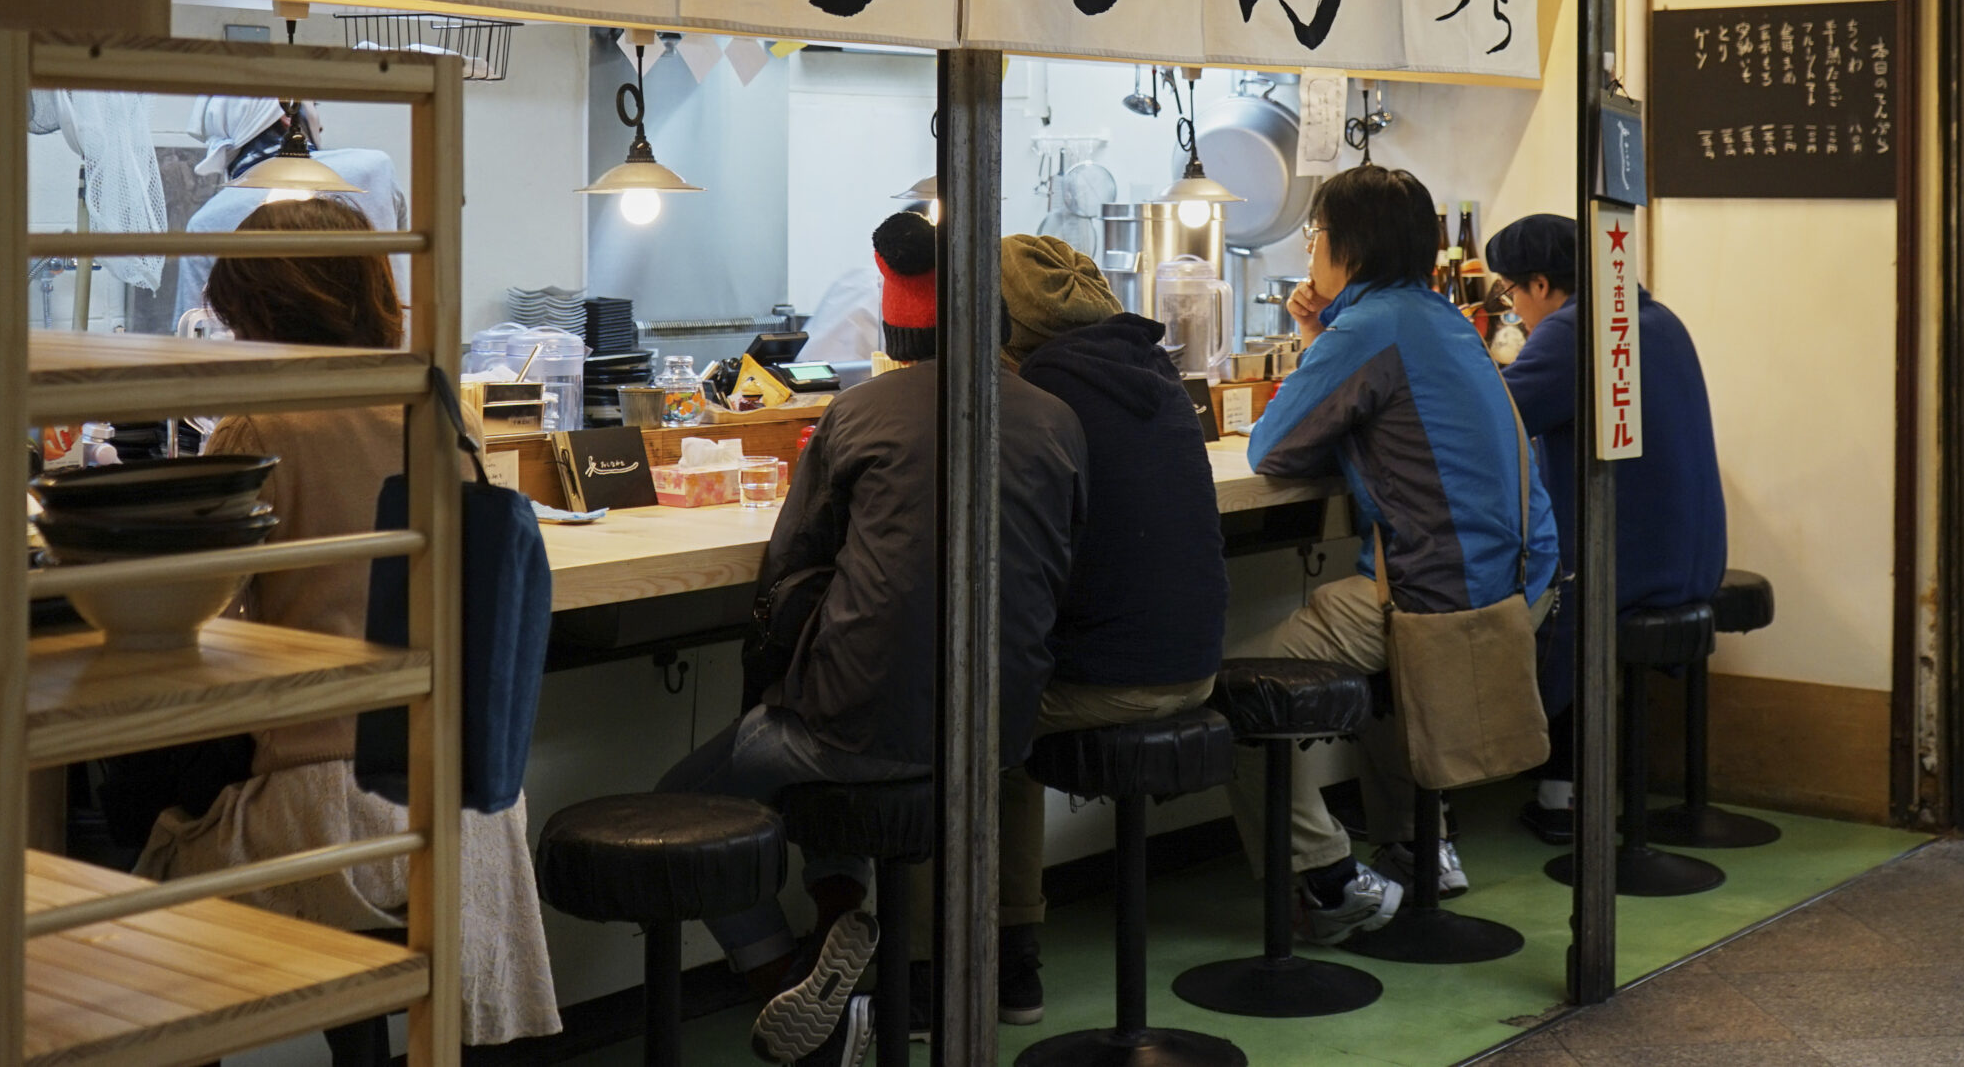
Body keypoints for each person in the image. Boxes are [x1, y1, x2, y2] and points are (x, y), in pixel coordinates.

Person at [137, 196, 559, 1062]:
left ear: (256, 308)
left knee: (133, 889)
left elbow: (191, 608)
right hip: (466, 800)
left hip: (328, 818)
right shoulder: (441, 411)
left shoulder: (259, 423)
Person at [660, 211, 1085, 1067]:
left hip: (861, 726)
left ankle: (787, 980)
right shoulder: (1056, 420)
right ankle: (833, 932)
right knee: (827, 721)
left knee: (698, 794)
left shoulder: (855, 415)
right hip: (999, 734)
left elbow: (785, 572)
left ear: (893, 331)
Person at [1234, 165, 1560, 942]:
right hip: (1525, 583)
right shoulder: (1440, 317)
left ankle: (1329, 878)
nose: (1310, 250)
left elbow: (1270, 450)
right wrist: (1323, 338)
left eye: (1314, 235)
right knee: (1375, 634)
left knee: (1237, 695)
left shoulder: (1371, 328)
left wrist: (1324, 341)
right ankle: (1424, 844)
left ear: (1346, 245)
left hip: (1442, 598)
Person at [995, 234, 1228, 1024]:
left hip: (1111, 685)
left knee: (973, 725)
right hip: (1197, 667)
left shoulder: (1036, 401)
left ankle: (987, 959)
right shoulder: (1152, 372)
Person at [1485, 212, 1728, 843]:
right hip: (1691, 552)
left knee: (1533, 604)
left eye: (1512, 292)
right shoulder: (1652, 316)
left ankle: (1563, 795)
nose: (1514, 309)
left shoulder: (1572, 331)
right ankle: (1573, 786)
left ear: (1541, 284)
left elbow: (1497, 418)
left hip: (1632, 564)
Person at [174, 96, 408, 330]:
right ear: (287, 115)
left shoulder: (206, 221)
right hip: (383, 353)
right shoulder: (374, 170)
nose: (322, 125)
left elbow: (193, 328)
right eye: (314, 106)